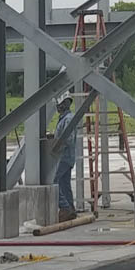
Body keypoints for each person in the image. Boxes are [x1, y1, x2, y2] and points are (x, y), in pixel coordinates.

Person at [52, 93, 77, 221]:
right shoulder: (64, 118)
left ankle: (65, 207)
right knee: (64, 183)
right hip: (67, 157)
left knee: (53, 181)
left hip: (64, 157)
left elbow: (69, 139)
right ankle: (71, 209)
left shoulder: (68, 119)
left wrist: (56, 143)